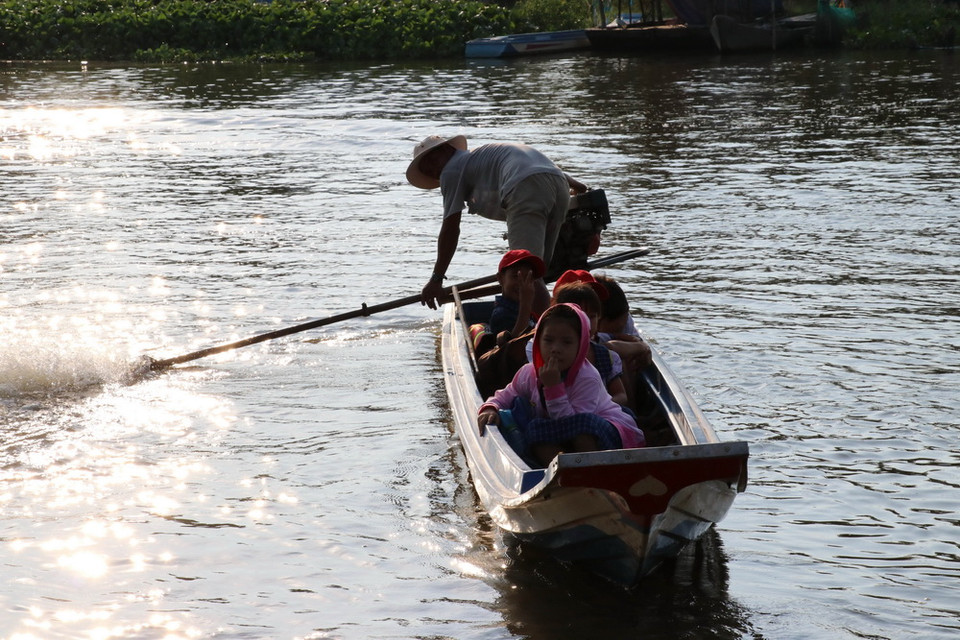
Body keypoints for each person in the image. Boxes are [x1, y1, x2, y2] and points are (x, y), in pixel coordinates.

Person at [406, 135, 587, 313]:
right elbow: (548, 172)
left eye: (431, 160)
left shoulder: (450, 171)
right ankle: (551, 325)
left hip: (526, 187)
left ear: (447, 150)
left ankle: (541, 334)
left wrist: (436, 279)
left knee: (524, 275)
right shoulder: (480, 157)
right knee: (538, 272)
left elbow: (450, 228)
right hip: (558, 184)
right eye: (424, 168)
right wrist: (578, 189)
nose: (430, 169)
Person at [477, 303, 645, 467]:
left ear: (581, 345)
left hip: (611, 435)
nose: (556, 349)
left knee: (582, 428)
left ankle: (592, 473)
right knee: (535, 430)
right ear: (538, 342)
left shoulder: (587, 377)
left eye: (567, 342)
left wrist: (553, 388)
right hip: (564, 434)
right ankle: (560, 474)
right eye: (548, 340)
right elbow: (505, 395)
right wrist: (491, 407)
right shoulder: (529, 373)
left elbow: (570, 422)